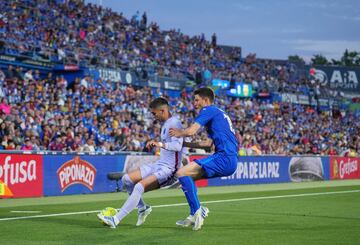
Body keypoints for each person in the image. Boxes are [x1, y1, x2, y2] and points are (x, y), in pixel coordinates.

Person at [98, 97, 184, 228]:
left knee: (139, 187)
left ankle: (115, 219)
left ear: (162, 110)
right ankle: (143, 208)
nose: (153, 116)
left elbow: (177, 146)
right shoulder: (166, 124)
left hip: (170, 170)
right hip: (160, 164)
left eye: (154, 113)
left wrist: (159, 143)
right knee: (126, 179)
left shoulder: (175, 123)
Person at [169, 87, 238, 230]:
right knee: (188, 179)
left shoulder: (208, 110)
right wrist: (184, 143)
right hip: (229, 159)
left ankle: (197, 211)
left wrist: (178, 133)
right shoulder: (219, 113)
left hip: (224, 158)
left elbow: (191, 131)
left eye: (196, 99)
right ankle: (196, 212)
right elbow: (208, 144)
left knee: (181, 173)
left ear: (205, 100)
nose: (193, 102)